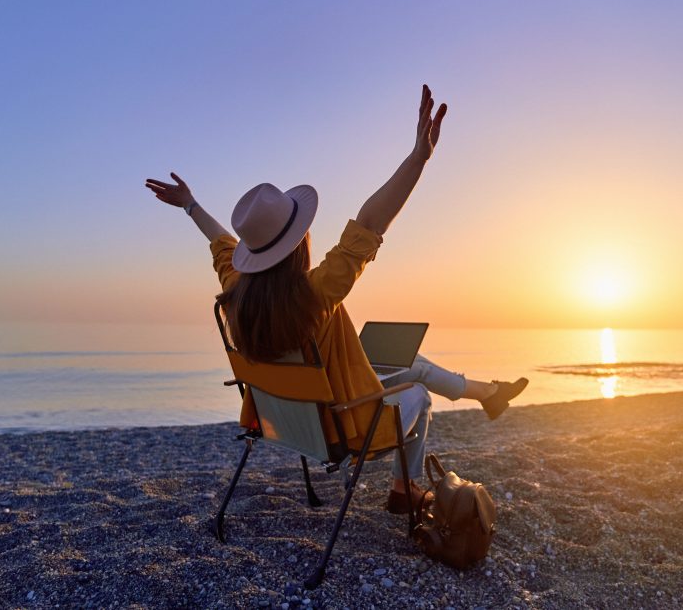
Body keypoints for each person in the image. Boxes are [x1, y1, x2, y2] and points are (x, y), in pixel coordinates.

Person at [145, 84, 528, 513]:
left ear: (251, 252)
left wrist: (190, 205)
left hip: (286, 424)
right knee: (419, 393)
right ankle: (405, 490)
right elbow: (370, 222)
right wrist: (418, 159)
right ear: (298, 242)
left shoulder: (234, 291)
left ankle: (487, 393)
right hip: (339, 427)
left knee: (409, 364)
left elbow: (219, 241)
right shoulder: (314, 294)